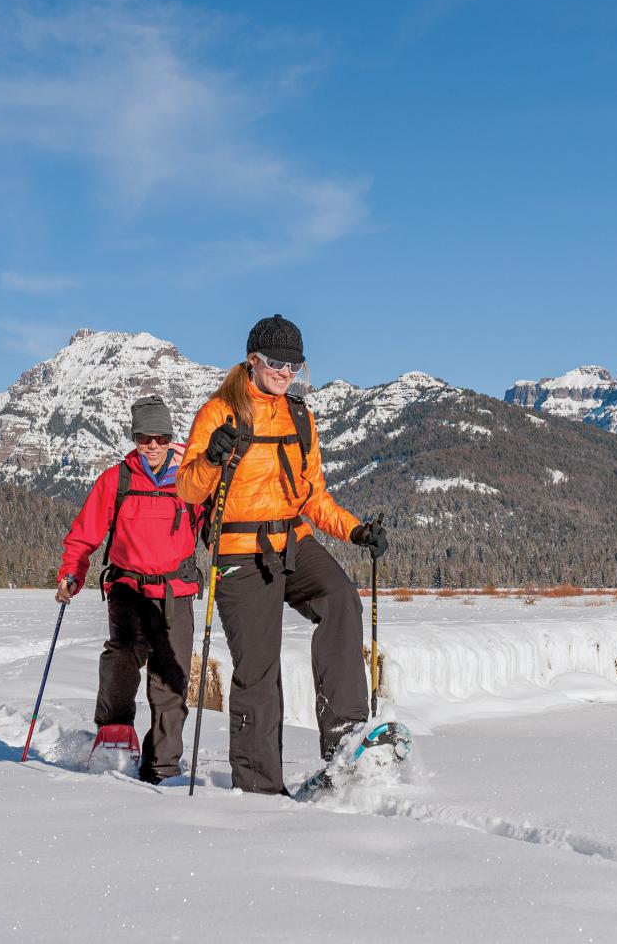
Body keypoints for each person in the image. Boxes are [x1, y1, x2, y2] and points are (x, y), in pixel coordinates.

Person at [176, 314, 388, 795]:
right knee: (259, 669)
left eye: (295, 365)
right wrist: (211, 458)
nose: (286, 372)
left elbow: (314, 496)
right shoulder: (219, 412)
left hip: (293, 540)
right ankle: (260, 788)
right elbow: (188, 491)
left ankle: (347, 739)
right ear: (252, 360)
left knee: (340, 599)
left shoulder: (299, 416)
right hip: (238, 550)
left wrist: (356, 531)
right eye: (277, 362)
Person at [56, 395, 203, 784]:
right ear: (134, 437)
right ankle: (114, 733)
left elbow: (215, 525)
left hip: (176, 592)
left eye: (160, 436)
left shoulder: (192, 479)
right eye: (143, 437)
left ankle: (164, 766)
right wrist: (72, 572)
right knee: (122, 657)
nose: (152, 444)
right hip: (129, 588)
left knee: (171, 679)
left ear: (171, 437)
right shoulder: (116, 480)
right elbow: (84, 535)